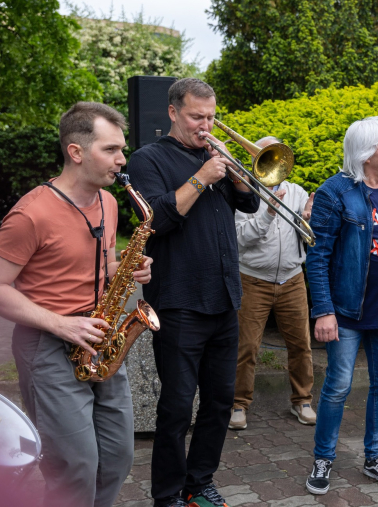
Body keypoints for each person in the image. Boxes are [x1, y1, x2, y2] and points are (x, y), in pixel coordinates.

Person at [0, 102, 152, 507]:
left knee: (117, 457)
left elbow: (94, 267)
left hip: (100, 337)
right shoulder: (31, 214)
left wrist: (127, 269)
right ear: (76, 151)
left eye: (123, 149)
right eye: (111, 150)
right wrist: (61, 324)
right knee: (75, 465)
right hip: (49, 343)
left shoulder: (109, 202)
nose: (122, 160)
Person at [128, 78, 259, 507]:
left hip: (224, 298)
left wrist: (239, 177)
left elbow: (252, 204)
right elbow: (158, 219)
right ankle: (166, 494)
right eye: (196, 117)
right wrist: (203, 177)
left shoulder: (214, 155)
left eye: (210, 117)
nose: (206, 126)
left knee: (220, 402)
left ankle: (198, 481)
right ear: (172, 113)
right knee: (177, 408)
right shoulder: (148, 160)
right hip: (180, 301)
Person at [304, 116, 378, 495]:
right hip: (345, 310)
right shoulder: (334, 193)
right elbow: (317, 257)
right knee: (338, 386)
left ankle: (375, 456)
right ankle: (323, 458)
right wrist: (323, 311)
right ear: (367, 154)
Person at [230, 136, 316, 430]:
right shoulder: (243, 193)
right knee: (246, 347)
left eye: (274, 155)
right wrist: (268, 213)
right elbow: (240, 238)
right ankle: (238, 404)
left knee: (301, 344)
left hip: (292, 279)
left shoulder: (296, 191)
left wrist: (309, 218)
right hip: (253, 279)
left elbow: (310, 232)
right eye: (265, 155)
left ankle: (303, 400)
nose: (272, 162)